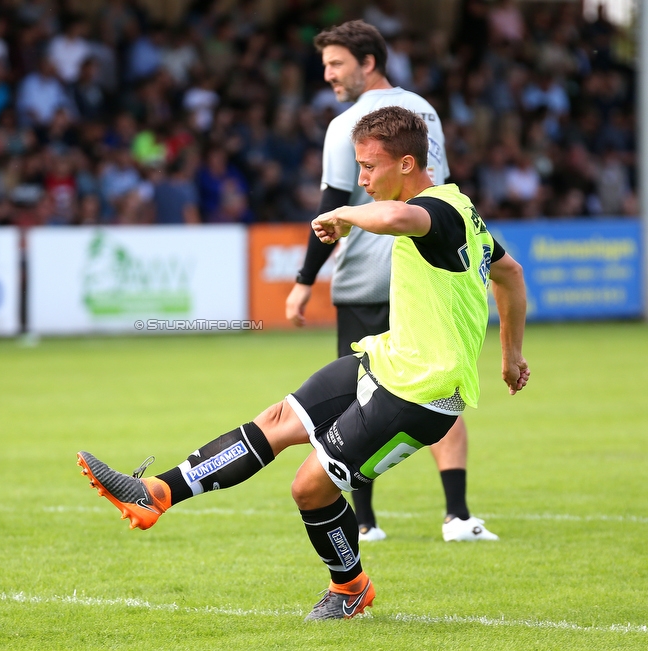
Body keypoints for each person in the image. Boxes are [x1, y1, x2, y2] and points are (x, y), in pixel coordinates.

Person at [77, 106, 529, 621]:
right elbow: (509, 273)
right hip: (386, 360)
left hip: (419, 394)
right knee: (277, 421)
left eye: (369, 168)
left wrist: (342, 214)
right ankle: (154, 493)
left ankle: (350, 588)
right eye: (357, 166)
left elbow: (398, 218)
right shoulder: (459, 205)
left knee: (308, 487)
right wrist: (511, 355)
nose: (360, 180)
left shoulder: (437, 210)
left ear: (407, 164)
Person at [284, 20, 496, 543]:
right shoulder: (424, 112)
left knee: (357, 398)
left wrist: (304, 279)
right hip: (431, 270)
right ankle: (458, 515)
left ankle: (365, 522)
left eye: (336, 64)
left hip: (365, 278)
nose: (329, 75)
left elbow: (331, 205)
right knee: (438, 385)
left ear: (367, 62)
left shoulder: (346, 126)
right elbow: (440, 192)